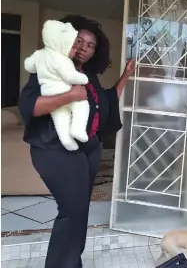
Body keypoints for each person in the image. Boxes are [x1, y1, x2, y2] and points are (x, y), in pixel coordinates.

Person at [18, 15, 136, 268]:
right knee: (72, 210)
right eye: (79, 40)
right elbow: (30, 106)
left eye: (91, 45)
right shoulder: (50, 65)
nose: (84, 47)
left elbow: (105, 101)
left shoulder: (88, 74)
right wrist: (70, 95)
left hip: (88, 149)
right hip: (54, 149)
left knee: (80, 210)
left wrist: (125, 76)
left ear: (97, 51)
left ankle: (72, 262)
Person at [24, 20, 90, 151]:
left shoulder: (39, 54)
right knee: (82, 105)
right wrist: (84, 79)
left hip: (48, 92)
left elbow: (28, 65)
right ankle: (78, 128)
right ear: (61, 45)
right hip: (62, 90)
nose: (76, 51)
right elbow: (70, 76)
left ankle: (66, 139)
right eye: (73, 47)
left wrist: (39, 66)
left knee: (60, 117)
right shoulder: (62, 60)